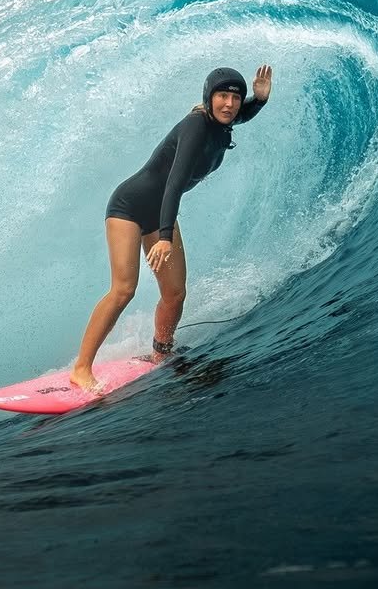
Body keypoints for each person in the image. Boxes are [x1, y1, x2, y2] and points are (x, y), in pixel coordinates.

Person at [69, 64, 273, 392]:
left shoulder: (221, 123)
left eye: (236, 98)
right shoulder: (195, 126)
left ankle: (161, 352)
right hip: (129, 208)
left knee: (175, 293)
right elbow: (174, 183)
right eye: (222, 96)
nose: (229, 104)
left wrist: (259, 100)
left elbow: (237, 116)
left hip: (159, 213)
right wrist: (164, 237)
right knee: (124, 289)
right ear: (208, 98)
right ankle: (81, 368)